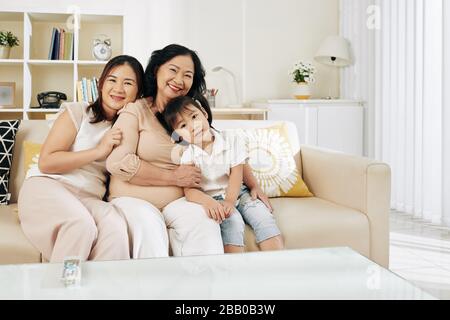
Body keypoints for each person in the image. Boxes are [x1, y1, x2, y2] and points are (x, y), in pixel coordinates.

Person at [106, 44, 274, 258]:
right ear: (157, 70)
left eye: (188, 75)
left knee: (206, 224)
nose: (179, 80)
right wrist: (173, 177)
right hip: (136, 200)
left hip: (181, 202)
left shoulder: (191, 114)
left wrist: (254, 185)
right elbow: (117, 162)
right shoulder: (137, 111)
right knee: (150, 231)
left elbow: (223, 151)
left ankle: (208, 288)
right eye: (173, 70)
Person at [18, 55, 145, 263]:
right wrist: (98, 151)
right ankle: (59, 292)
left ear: (138, 92)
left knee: (115, 228)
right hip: (49, 186)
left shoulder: (131, 128)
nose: (119, 88)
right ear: (101, 84)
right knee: (80, 225)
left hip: (88, 198)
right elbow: (47, 162)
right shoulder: (79, 112)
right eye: (112, 80)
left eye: (128, 83)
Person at [161, 96, 284, 253]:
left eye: (194, 116)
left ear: (204, 113)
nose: (193, 126)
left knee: (263, 217)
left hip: (239, 192)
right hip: (214, 200)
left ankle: (277, 263)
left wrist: (232, 200)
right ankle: (232, 271)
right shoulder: (188, 154)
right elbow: (190, 190)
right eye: (183, 125)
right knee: (233, 224)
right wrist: (208, 202)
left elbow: (237, 174)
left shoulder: (230, 139)